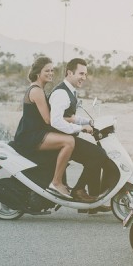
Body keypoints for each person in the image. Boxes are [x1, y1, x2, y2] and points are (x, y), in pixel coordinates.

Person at [49, 58, 115, 211]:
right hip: (60, 139)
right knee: (98, 154)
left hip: (68, 137)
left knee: (97, 155)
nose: (83, 78)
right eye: (80, 74)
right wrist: (80, 128)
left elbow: (70, 116)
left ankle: (93, 201)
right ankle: (79, 191)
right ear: (69, 72)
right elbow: (56, 121)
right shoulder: (61, 93)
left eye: (85, 74)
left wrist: (91, 122)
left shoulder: (70, 91)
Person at [12, 56, 75, 198]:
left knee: (66, 140)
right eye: (47, 70)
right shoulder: (36, 91)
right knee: (69, 142)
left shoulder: (39, 89)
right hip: (30, 136)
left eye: (52, 70)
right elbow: (48, 119)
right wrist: (72, 121)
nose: (51, 73)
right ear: (38, 73)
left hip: (34, 132)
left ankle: (60, 181)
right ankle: (56, 182)